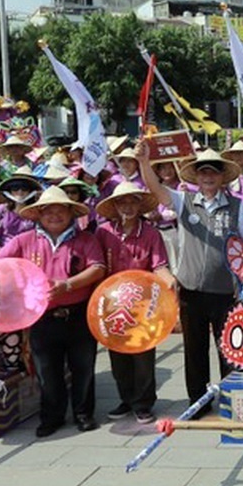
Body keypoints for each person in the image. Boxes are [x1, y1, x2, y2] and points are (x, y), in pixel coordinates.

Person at [138, 144, 243, 415]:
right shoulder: (184, 201)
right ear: (196, 177)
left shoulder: (236, 207)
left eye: (213, 172)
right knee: (194, 349)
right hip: (191, 288)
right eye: (203, 172)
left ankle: (230, 399)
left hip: (226, 291)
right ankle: (198, 401)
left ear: (222, 177)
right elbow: (156, 190)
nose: (208, 177)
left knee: (229, 347)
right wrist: (145, 162)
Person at [0, 186, 106, 437]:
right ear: (39, 215)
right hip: (41, 316)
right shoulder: (24, 240)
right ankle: (51, 416)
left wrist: (68, 285)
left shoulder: (86, 239)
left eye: (60, 210)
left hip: (78, 314)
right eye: (48, 211)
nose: (54, 215)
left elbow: (98, 268)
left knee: (83, 367)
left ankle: (83, 413)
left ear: (70, 213)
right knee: (46, 370)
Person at [95, 182, 175, 424]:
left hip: (142, 305)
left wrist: (169, 280)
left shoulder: (151, 233)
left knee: (142, 356)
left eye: (132, 201)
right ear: (115, 206)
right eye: (122, 202)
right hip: (111, 304)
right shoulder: (104, 232)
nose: (127, 206)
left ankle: (143, 403)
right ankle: (126, 399)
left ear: (140, 205)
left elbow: (159, 265)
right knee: (118, 357)